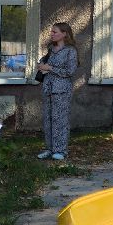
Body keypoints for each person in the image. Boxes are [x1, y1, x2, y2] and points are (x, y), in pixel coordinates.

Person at [35, 22, 78, 161]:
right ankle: (49, 148)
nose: (52, 34)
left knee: (60, 120)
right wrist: (41, 65)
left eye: (55, 32)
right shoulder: (50, 48)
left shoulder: (70, 51)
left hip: (62, 90)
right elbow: (44, 63)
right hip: (48, 88)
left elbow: (70, 71)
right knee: (48, 119)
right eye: (51, 32)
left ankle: (61, 150)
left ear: (64, 34)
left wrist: (50, 68)